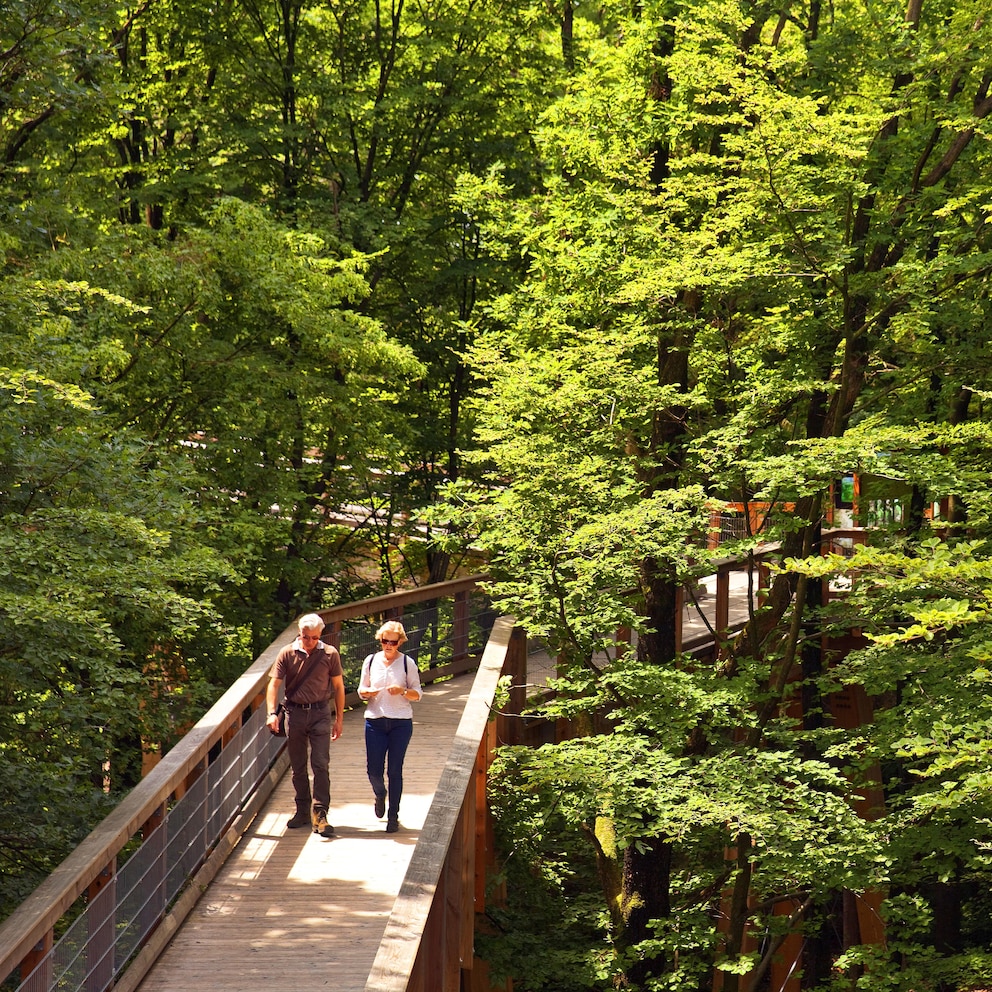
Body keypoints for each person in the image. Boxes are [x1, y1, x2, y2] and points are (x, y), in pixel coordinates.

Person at [266, 613, 345, 837]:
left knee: (320, 763)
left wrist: (339, 719)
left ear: (320, 635)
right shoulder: (287, 653)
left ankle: (320, 813)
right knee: (298, 765)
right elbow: (274, 685)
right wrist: (272, 713)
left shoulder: (329, 654)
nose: (308, 641)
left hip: (320, 712)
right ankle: (302, 810)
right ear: (299, 634)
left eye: (313, 637)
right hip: (294, 713)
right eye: (304, 636)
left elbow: (339, 687)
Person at [357, 620, 422, 833]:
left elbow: (417, 694)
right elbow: (361, 690)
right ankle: (379, 793)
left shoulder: (407, 663)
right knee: (373, 770)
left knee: (395, 770)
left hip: (400, 722)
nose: (388, 646)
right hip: (375, 720)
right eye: (385, 641)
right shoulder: (370, 660)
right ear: (380, 640)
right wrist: (367, 693)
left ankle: (393, 816)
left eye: (393, 642)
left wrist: (402, 690)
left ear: (400, 642)